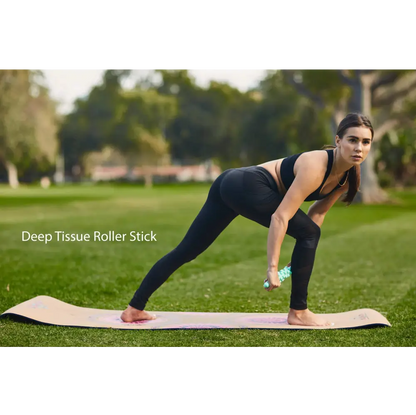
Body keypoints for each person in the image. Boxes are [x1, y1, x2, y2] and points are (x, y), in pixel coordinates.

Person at [121, 112, 374, 326]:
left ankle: (134, 309)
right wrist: (273, 269)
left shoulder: (348, 177)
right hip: (248, 185)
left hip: (231, 183)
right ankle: (298, 312)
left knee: (187, 251)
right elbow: (280, 217)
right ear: (338, 140)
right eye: (353, 140)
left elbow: (316, 216)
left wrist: (298, 260)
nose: (359, 148)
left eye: (365, 142)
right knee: (307, 233)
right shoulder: (315, 165)